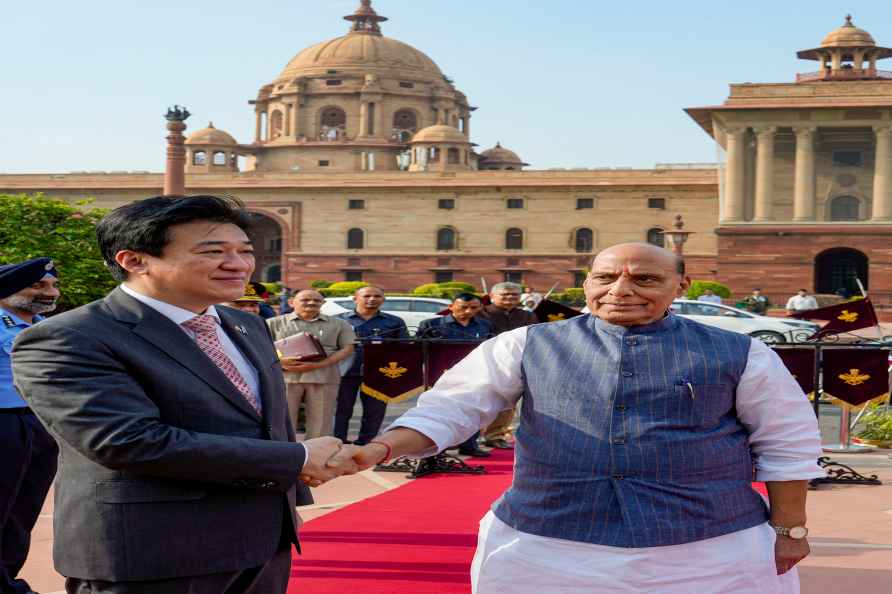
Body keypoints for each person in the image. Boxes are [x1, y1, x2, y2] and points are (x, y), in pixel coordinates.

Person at [341, 242, 823, 594]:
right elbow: (452, 408)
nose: (622, 290)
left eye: (645, 279)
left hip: (709, 551)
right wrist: (379, 448)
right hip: (547, 549)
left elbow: (787, 443)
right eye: (606, 278)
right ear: (587, 283)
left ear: (682, 286)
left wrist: (790, 531)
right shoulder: (526, 344)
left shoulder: (741, 352)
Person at [11, 196, 358, 594]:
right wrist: (297, 457)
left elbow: (264, 423)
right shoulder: (68, 338)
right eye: (213, 252)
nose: (239, 264)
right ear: (135, 260)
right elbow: (127, 442)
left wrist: (290, 495)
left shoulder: (247, 326)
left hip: (262, 545)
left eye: (244, 251)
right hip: (155, 553)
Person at [0, 257, 60, 594]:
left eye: (53, 285)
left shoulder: (46, 328)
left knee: (23, 509)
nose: (50, 293)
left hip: (38, 423)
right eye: (38, 285)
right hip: (4, 424)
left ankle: (8, 581)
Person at [267, 289, 355, 439]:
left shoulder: (339, 324)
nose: (311, 303)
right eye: (305, 300)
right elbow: (260, 347)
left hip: (323, 377)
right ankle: (283, 452)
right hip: (284, 378)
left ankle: (317, 455)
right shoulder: (273, 323)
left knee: (321, 422)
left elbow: (348, 348)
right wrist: (280, 363)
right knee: (282, 419)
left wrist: (318, 365)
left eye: (316, 300)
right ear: (291, 302)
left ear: (323, 303)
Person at [416, 293, 493, 457]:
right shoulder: (431, 324)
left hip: (474, 374)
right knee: (440, 410)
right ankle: (438, 447)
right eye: (463, 307)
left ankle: (469, 445)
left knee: (473, 409)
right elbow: (418, 351)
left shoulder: (484, 325)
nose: (468, 311)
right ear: (451, 307)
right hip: (439, 374)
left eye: (473, 308)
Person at [334, 286, 409, 445]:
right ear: (355, 298)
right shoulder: (339, 320)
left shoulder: (394, 321)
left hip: (380, 373)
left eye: (377, 296)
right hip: (345, 371)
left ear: (383, 299)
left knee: (375, 411)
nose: (372, 299)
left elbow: (403, 348)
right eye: (367, 296)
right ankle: (337, 441)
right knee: (341, 410)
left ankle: (367, 442)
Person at [478, 282, 537, 449]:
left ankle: (495, 435)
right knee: (479, 399)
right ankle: (469, 438)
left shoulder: (527, 315)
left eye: (514, 296)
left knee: (508, 401)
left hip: (516, 363)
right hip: (487, 362)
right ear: (492, 296)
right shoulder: (481, 314)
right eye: (505, 295)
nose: (510, 298)